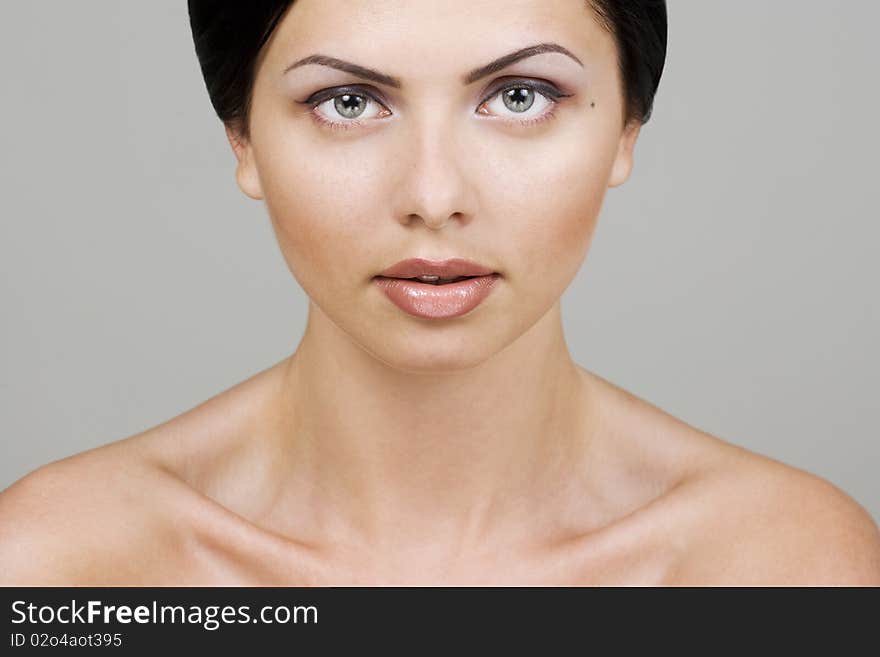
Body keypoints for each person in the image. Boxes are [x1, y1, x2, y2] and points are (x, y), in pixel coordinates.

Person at [2, 0, 879, 586]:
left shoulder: (783, 563)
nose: (432, 195)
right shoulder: (64, 566)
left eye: (520, 94)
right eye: (348, 102)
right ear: (243, 140)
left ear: (626, 127)